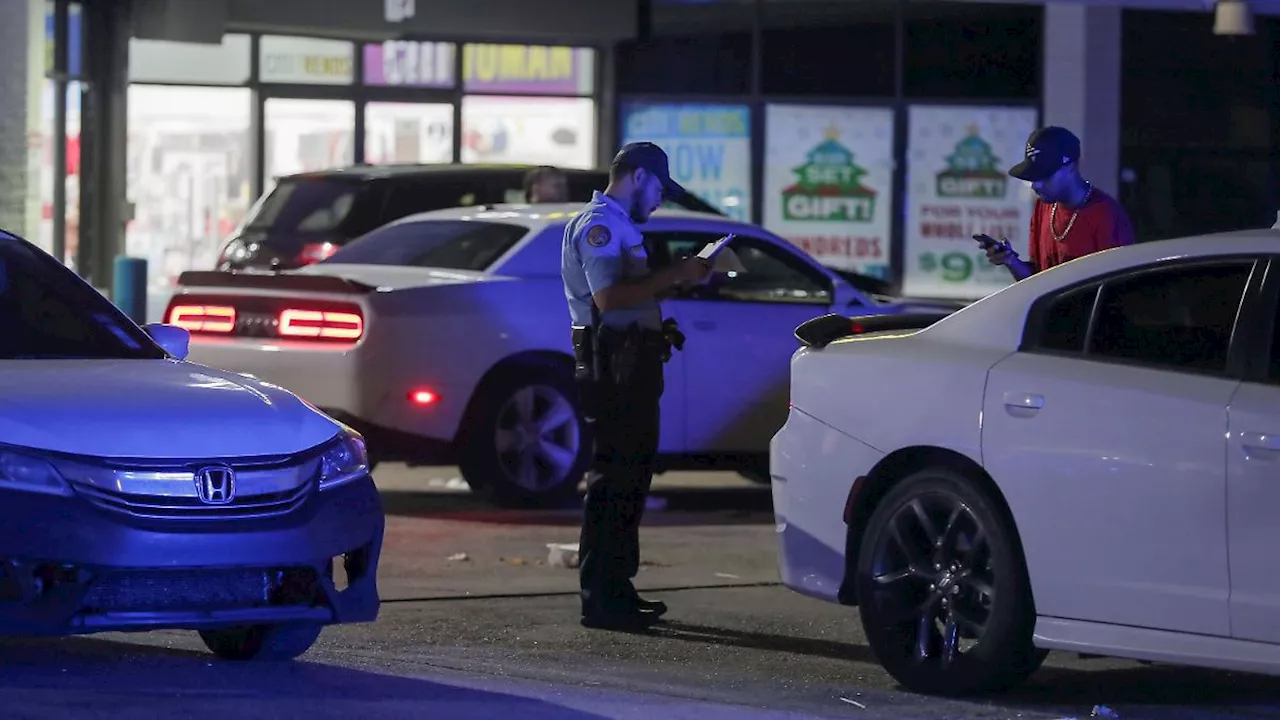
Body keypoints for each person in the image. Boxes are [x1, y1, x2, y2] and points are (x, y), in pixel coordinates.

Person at [561, 142, 712, 631]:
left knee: (631, 479)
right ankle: (602, 598)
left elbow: (630, 297)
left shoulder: (619, 226)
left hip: (631, 362)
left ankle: (617, 591)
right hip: (613, 366)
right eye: (659, 189)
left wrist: (678, 282)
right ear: (639, 176)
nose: (660, 201)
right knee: (614, 480)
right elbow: (608, 298)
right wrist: (677, 273)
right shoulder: (599, 226)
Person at [983, 126, 1135, 280]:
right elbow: (1037, 280)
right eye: (1033, 176)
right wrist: (1010, 260)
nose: (1036, 185)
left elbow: (1116, 286)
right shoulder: (1044, 205)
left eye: (1045, 176)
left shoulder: (1106, 215)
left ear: (1070, 166)